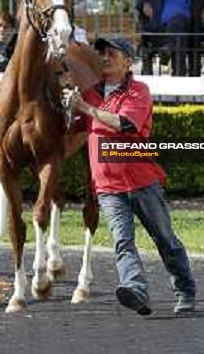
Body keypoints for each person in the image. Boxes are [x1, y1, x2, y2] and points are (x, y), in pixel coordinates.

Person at [66, 37, 196, 316]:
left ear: (128, 61)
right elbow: (71, 128)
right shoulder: (89, 93)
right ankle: (136, 291)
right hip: (107, 186)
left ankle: (185, 290)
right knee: (122, 242)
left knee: (165, 240)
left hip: (142, 180)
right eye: (101, 53)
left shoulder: (139, 91)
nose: (105, 57)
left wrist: (86, 109)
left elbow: (124, 124)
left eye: (112, 53)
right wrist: (65, 104)